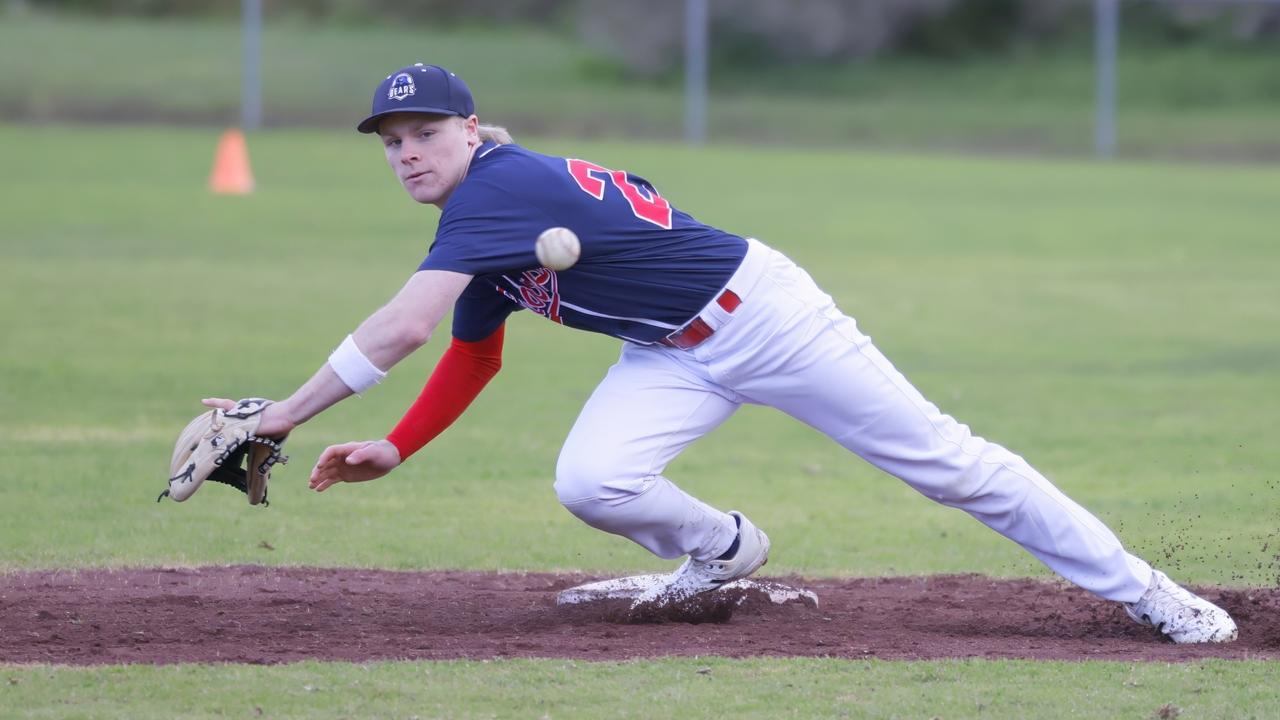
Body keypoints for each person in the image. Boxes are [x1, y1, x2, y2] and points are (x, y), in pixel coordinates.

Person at [206, 63, 1237, 643]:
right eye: (389, 143)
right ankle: (722, 551)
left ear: (471, 131)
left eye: (422, 132)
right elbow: (471, 352)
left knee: (946, 464)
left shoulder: (498, 191)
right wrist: (399, 444)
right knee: (593, 480)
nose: (405, 155)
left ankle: (1145, 590)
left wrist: (283, 415)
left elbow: (403, 327)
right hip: (669, 351)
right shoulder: (481, 220)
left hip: (765, 316)